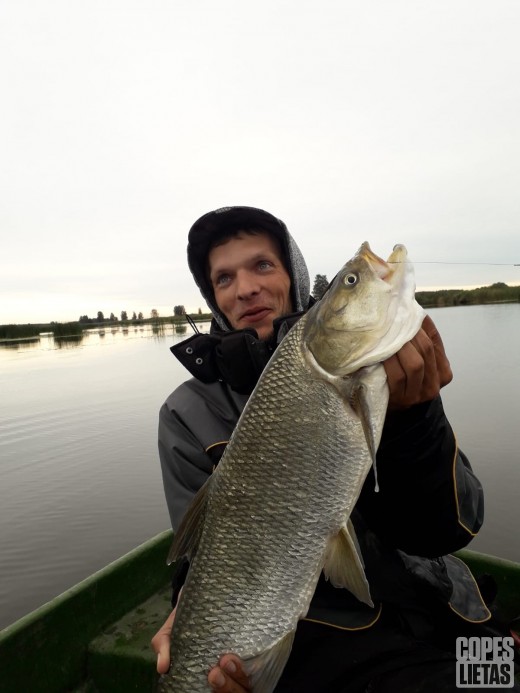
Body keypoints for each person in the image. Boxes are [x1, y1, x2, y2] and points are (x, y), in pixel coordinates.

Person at [152, 206, 516, 692]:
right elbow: (201, 556)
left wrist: (415, 421)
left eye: (262, 265)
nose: (245, 288)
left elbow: (451, 530)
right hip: (323, 646)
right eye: (224, 278)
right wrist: (187, 607)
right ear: (214, 298)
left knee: (499, 673)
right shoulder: (186, 413)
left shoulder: (375, 370)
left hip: (433, 608)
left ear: (294, 276)